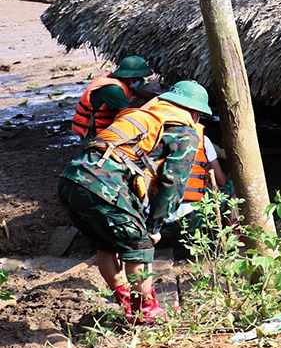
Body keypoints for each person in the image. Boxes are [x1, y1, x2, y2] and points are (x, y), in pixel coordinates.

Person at [57, 80, 210, 324]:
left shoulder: (142, 117)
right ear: (195, 112)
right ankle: (145, 311)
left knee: (106, 243)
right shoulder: (184, 132)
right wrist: (155, 227)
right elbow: (173, 184)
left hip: (70, 179)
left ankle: (127, 302)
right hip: (104, 184)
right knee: (139, 245)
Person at [162, 131, 230, 261]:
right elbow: (220, 181)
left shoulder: (150, 136)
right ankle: (224, 240)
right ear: (194, 115)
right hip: (191, 221)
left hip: (157, 225)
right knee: (229, 187)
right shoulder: (203, 139)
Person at [71, 56, 153, 140]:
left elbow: (146, 95)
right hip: (95, 131)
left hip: (108, 118)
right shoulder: (113, 89)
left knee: (143, 101)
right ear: (131, 77)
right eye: (139, 78)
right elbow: (127, 115)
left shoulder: (121, 81)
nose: (141, 80)